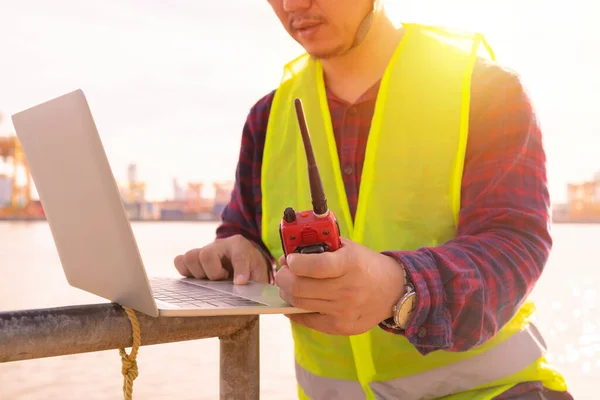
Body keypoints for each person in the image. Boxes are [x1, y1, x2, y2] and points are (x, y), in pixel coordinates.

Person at [174, 1, 572, 399]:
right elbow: (244, 236)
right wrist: (233, 255)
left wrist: (399, 288)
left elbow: (514, 245)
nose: (292, 4)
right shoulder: (267, 118)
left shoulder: (485, 90)